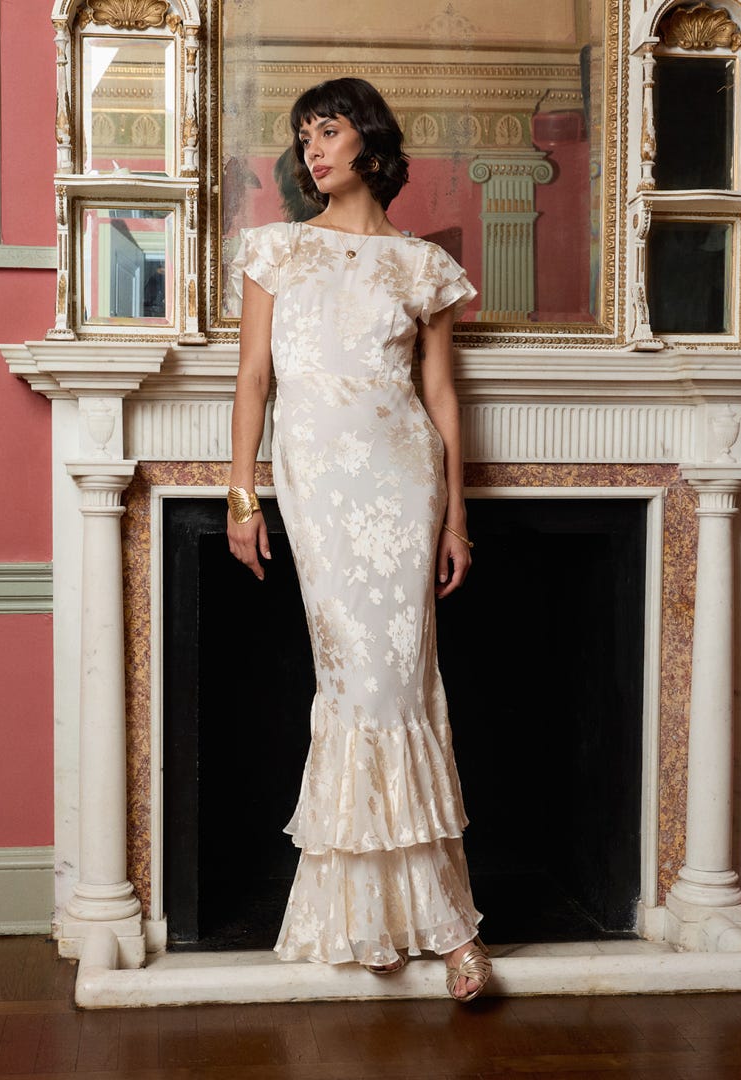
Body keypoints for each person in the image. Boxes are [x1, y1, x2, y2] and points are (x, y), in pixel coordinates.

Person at [223, 76, 492, 1002]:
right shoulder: (277, 251)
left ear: (368, 143)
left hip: (404, 481)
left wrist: (457, 516)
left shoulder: (422, 267)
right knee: (356, 683)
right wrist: (242, 498)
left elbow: (443, 397)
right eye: (303, 138)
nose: (312, 150)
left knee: (405, 684)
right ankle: (385, 915)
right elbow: (253, 380)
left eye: (327, 131)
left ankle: (444, 925)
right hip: (320, 488)